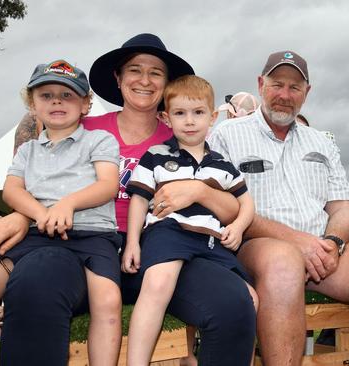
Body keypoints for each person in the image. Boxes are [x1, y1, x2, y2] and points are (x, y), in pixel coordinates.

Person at [0, 33, 255, 365]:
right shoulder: (81, 128)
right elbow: (38, 184)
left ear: (167, 84)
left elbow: (232, 209)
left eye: (156, 72)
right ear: (118, 78)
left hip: (161, 251)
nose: (144, 79)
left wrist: (201, 191)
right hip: (84, 243)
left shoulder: (187, 134)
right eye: (134, 69)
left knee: (233, 304)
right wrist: (23, 216)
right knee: (36, 278)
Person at [209, 50, 349, 365]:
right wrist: (295, 241)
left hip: (319, 248)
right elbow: (222, 205)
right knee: (283, 260)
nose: (285, 95)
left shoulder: (321, 142)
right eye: (278, 85)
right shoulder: (227, 135)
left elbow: (343, 206)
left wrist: (334, 242)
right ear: (261, 84)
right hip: (255, 245)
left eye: (295, 88)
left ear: (307, 92)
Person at [0, 60, 123, 366]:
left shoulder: (99, 140)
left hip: (91, 236)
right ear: (32, 105)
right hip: (37, 234)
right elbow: (11, 190)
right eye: (46, 95)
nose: (57, 101)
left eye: (67, 95)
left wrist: (67, 204)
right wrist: (39, 211)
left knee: (108, 302)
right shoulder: (27, 151)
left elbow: (107, 184)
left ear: (86, 104)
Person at [122, 75, 257, 365]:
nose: (190, 121)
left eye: (198, 113)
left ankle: (196, 354)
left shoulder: (222, 164)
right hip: (167, 231)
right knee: (158, 282)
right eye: (180, 113)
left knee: (249, 298)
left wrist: (237, 226)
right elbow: (139, 198)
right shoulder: (156, 156)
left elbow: (246, 203)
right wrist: (133, 242)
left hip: (210, 240)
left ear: (213, 117)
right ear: (166, 118)